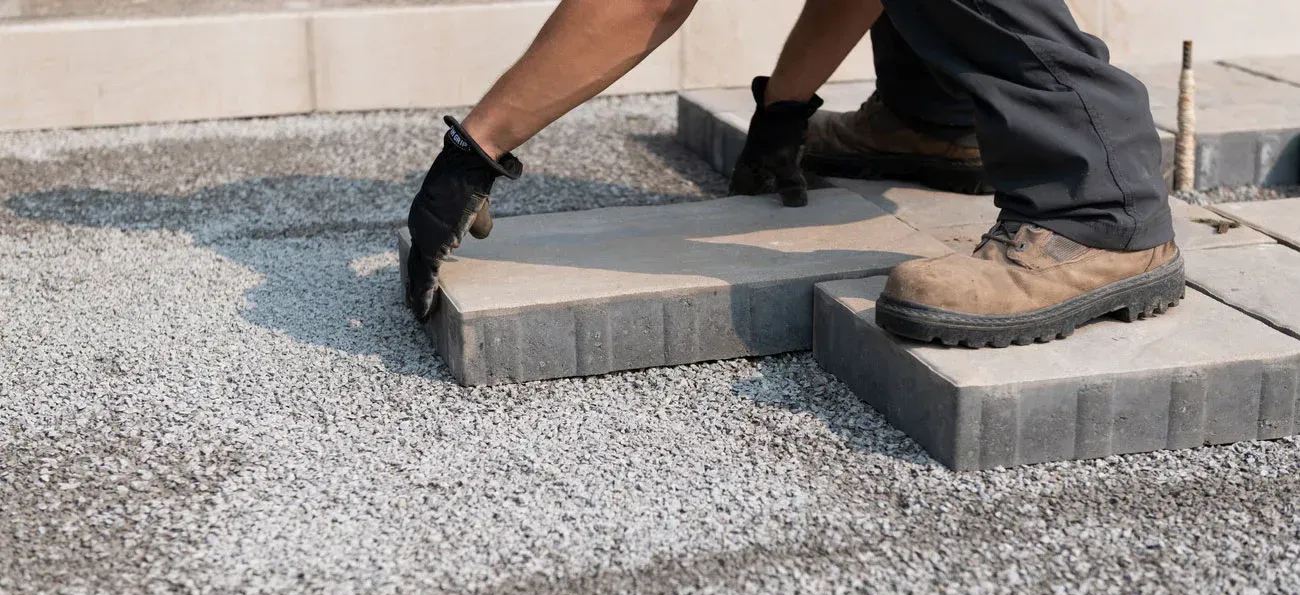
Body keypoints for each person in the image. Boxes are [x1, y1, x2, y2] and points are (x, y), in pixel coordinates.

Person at [407, 0, 1184, 349]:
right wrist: (784, 110)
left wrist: (474, 149)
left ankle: (1100, 207)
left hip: (1098, 202)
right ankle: (931, 124)